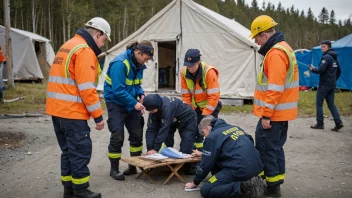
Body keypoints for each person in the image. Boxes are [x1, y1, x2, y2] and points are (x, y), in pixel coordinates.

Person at [46, 17, 111, 198]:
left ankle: (69, 189)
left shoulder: (67, 45)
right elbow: (87, 89)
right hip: (72, 113)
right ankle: (81, 191)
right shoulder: (84, 51)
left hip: (57, 111)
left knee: (68, 152)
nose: (103, 44)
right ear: (98, 34)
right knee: (80, 152)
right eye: (104, 39)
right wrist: (98, 116)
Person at [249, 15, 299, 197]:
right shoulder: (284, 48)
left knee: (267, 148)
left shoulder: (276, 53)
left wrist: (266, 115)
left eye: (256, 37)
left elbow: (275, 88)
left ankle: (272, 188)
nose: (255, 41)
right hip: (281, 113)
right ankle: (276, 181)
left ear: (263, 34)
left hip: (273, 114)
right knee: (275, 148)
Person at [104, 40, 154, 181]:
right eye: (145, 58)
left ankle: (132, 166)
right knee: (117, 135)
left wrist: (141, 93)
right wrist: (134, 103)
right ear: (138, 53)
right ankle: (114, 169)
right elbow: (118, 90)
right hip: (116, 103)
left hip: (131, 103)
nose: (146, 62)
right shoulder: (120, 64)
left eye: (148, 60)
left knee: (136, 134)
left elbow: (136, 84)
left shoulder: (139, 65)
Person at [184, 116, 264, 198]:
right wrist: (203, 153)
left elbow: (205, 165)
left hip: (239, 169)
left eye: (204, 134)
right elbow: (247, 142)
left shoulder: (212, 137)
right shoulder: (234, 128)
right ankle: (252, 180)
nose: (205, 137)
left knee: (206, 190)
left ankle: (243, 187)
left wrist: (194, 183)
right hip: (256, 166)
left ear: (207, 127)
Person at [180, 49, 221, 151]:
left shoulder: (209, 72)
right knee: (194, 130)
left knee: (207, 129)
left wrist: (206, 114)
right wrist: (188, 110)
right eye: (187, 65)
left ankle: (211, 152)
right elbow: (186, 95)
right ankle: (197, 152)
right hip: (196, 107)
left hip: (210, 106)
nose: (190, 68)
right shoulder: (184, 73)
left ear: (198, 62)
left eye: (192, 65)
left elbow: (214, 95)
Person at [143, 94, 197, 159]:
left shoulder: (166, 107)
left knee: (186, 146)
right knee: (168, 145)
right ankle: (169, 167)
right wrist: (150, 148)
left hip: (188, 118)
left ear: (158, 106)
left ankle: (187, 168)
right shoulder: (153, 110)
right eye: (150, 111)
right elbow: (151, 129)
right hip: (173, 120)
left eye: (153, 110)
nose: (151, 112)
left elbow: (164, 129)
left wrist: (156, 149)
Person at [309, 40, 343, 131]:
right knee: (331, 104)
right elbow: (339, 71)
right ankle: (338, 122)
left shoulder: (327, 57)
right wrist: (333, 80)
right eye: (321, 47)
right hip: (332, 84)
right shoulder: (334, 57)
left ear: (328, 47)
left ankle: (320, 123)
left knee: (319, 103)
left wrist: (312, 69)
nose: (322, 48)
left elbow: (320, 70)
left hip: (324, 84)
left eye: (323, 47)